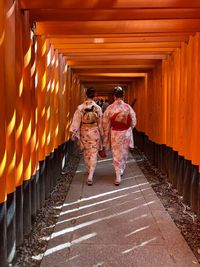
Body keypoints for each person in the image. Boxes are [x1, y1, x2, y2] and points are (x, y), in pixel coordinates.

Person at [103, 86, 136, 185]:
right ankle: (120, 171)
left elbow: (105, 122)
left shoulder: (110, 108)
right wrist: (130, 128)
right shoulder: (127, 107)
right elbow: (133, 121)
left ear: (114, 96)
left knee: (116, 153)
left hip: (115, 133)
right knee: (124, 152)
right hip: (125, 132)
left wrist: (106, 132)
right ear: (123, 96)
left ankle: (118, 174)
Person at [69, 87, 103, 185]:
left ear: (86, 95)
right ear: (95, 96)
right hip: (95, 132)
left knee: (86, 152)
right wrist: (102, 134)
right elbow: (100, 123)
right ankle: (91, 173)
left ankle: (89, 171)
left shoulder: (80, 108)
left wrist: (74, 132)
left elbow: (76, 121)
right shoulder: (98, 108)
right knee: (93, 152)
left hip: (84, 131)